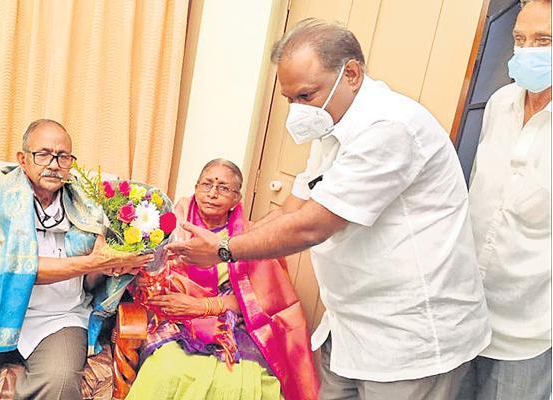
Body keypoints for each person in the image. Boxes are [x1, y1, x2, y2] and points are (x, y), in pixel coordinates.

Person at [167, 19, 491, 400]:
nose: (297, 111)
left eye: (305, 96)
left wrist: (224, 251)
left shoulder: (389, 128)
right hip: (351, 327)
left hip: (410, 336)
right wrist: (223, 238)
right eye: (290, 99)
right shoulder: (332, 127)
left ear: (351, 73)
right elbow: (294, 206)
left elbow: (313, 226)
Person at [0, 119, 153, 399]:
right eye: (43, 154)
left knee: (57, 384)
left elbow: (91, 283)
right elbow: (18, 268)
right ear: (23, 160)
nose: (54, 164)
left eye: (63, 156)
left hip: (59, 315)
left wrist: (111, 269)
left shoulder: (88, 207)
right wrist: (95, 262)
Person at [126, 159, 319, 400]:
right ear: (195, 188)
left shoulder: (249, 239)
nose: (213, 194)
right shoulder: (169, 229)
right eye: (206, 184)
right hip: (177, 321)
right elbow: (147, 281)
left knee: (247, 382)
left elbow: (265, 300)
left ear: (237, 198)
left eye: (224, 188)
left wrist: (206, 306)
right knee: (167, 370)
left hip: (235, 325)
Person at [457, 1, 552, 399]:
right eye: (519, 39)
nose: (527, 50)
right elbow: (480, 194)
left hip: (526, 337)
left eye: (543, 40)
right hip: (465, 316)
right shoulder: (499, 104)